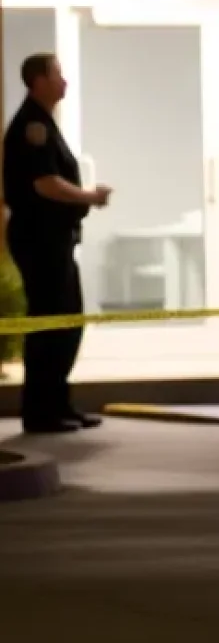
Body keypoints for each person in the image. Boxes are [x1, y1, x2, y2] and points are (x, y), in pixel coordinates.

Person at [3, 54, 111, 434]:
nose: (64, 82)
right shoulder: (33, 125)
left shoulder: (45, 122)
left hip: (54, 239)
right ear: (38, 81)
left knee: (67, 321)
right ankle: (41, 412)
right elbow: (44, 183)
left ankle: (58, 403)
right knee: (52, 323)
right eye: (58, 75)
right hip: (40, 240)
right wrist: (88, 197)